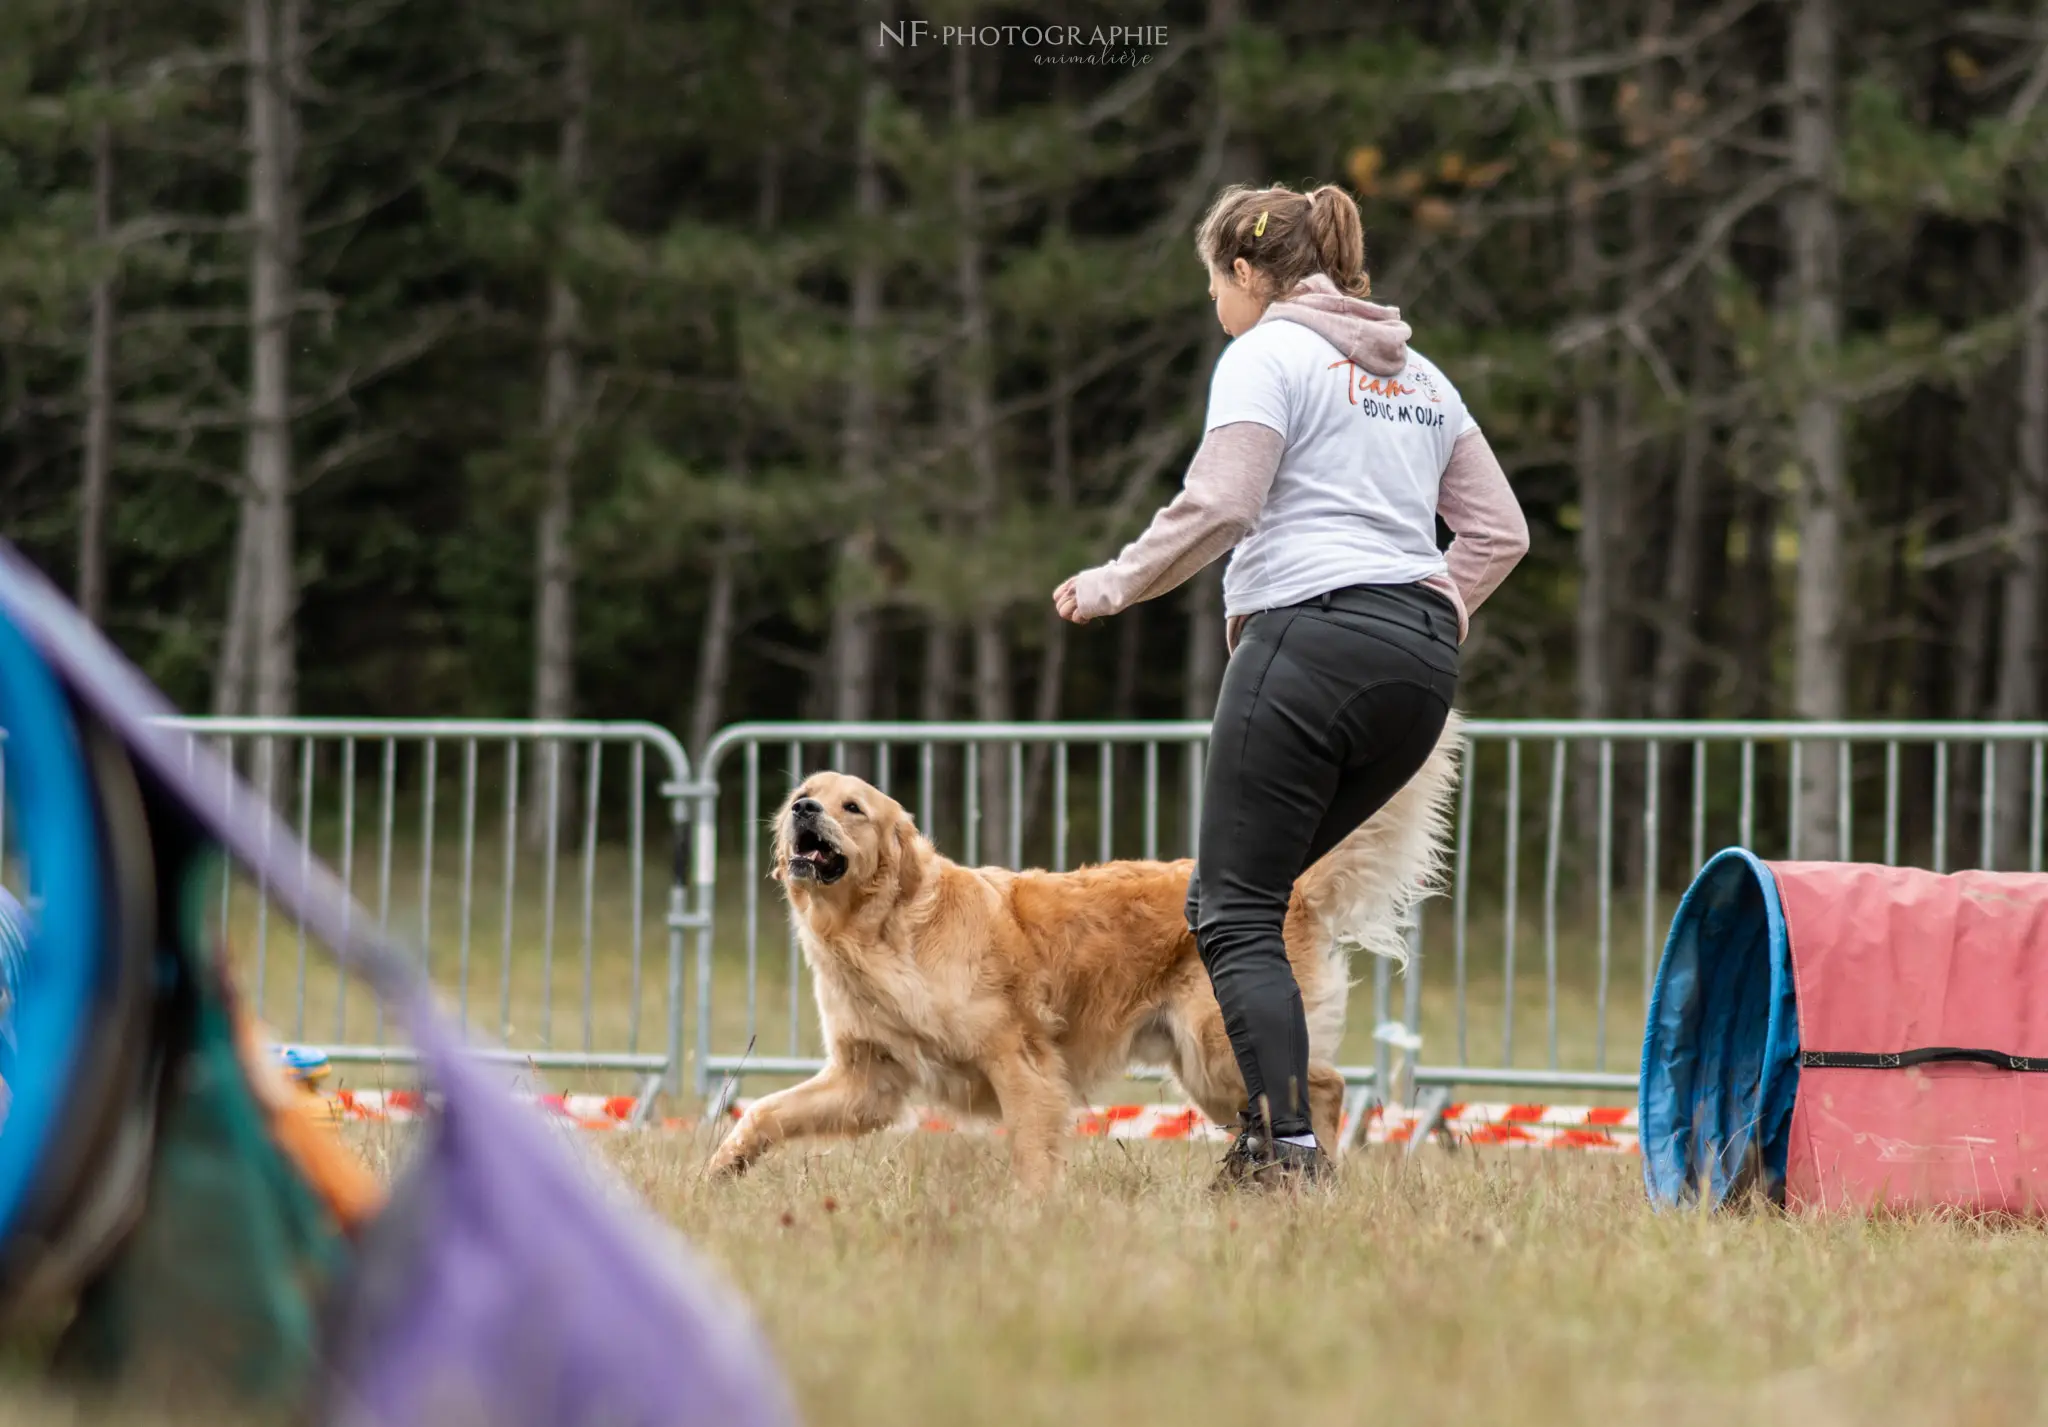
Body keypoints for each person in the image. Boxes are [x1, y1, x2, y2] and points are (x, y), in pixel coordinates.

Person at [1053, 182, 1528, 1189]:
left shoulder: (1264, 351)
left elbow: (1222, 500)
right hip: (1419, 662)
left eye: (1212, 284)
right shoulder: (1423, 377)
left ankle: (1282, 1151)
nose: (1214, 306)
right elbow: (1499, 531)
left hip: (1310, 641)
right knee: (1263, 895)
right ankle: (1288, 1136)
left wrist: (1115, 579)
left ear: (1242, 272)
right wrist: (1426, 607)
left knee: (1230, 906)